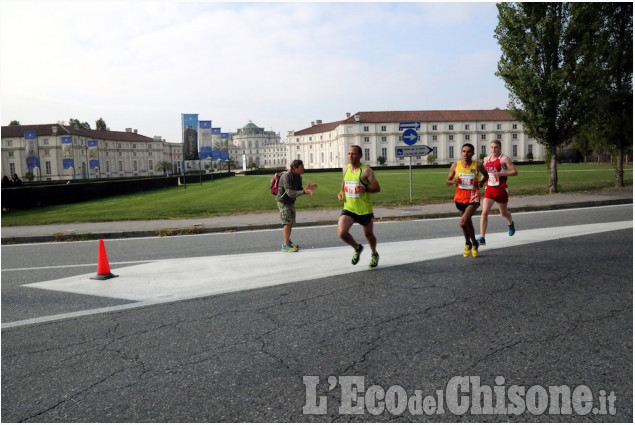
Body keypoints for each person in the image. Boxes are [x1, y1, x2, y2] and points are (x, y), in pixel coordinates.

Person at [337, 145, 381, 268]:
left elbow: (377, 188)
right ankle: (357, 248)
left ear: (360, 156)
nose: (350, 156)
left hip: (364, 209)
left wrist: (366, 189)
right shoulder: (345, 168)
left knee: (368, 235)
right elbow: (344, 181)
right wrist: (341, 192)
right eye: (349, 153)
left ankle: (374, 254)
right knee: (341, 233)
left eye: (354, 153)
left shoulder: (366, 170)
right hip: (349, 208)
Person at [446, 143, 488, 258]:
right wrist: (453, 181)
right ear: (461, 153)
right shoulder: (455, 165)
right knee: (467, 223)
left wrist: (482, 182)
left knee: (463, 222)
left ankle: (467, 243)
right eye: (464, 151)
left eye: (468, 151)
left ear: (473, 153)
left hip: (473, 198)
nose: (466, 154)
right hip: (459, 198)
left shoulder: (478, 165)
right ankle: (474, 242)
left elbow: (486, 175)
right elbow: (447, 181)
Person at [477, 139, 518, 245]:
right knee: (484, 212)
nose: (493, 149)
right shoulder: (486, 159)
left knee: (503, 213)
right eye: (492, 147)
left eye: (496, 147)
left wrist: (501, 174)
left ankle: (510, 223)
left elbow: (515, 172)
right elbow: (485, 174)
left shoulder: (504, 159)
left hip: (501, 189)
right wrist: (482, 182)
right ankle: (482, 237)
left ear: (500, 148)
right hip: (490, 189)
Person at [276, 159, 318, 252]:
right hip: (283, 201)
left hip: (290, 202)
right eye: (302, 167)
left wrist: (306, 190)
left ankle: (287, 242)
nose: (304, 168)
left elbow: (299, 190)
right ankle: (285, 245)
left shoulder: (299, 177)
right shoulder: (287, 176)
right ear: (295, 168)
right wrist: (304, 191)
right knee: (287, 222)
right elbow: (290, 192)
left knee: (290, 222)